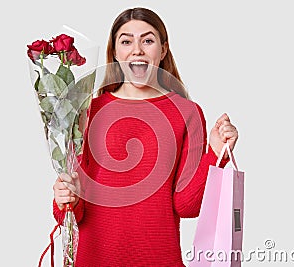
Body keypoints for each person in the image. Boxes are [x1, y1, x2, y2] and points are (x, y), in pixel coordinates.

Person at [52, 7, 238, 266]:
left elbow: (187, 206)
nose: (136, 50)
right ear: (115, 52)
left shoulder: (187, 113)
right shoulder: (87, 111)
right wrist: (64, 198)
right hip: (95, 259)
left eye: (147, 40)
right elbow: (74, 212)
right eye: (126, 41)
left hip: (158, 259)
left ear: (162, 50)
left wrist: (216, 153)